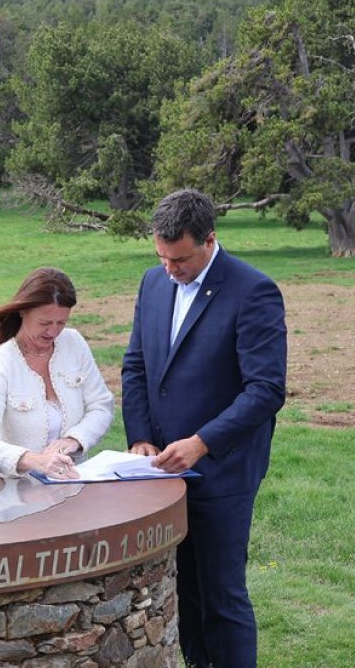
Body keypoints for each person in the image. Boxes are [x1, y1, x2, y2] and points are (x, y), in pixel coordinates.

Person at [122, 189, 287, 668]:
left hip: (223, 470)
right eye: (162, 257)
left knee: (221, 595)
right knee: (184, 592)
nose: (171, 269)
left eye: (181, 259)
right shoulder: (153, 284)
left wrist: (202, 443)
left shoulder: (253, 290)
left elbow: (266, 389)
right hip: (159, 471)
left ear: (210, 240)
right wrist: (140, 437)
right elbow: (136, 366)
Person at [0, 268, 114, 479]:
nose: (53, 332)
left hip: (73, 484)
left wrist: (74, 440)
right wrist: (35, 461)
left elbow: (101, 406)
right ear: (22, 311)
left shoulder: (74, 343)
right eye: (45, 323)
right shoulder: (0, 361)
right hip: (14, 493)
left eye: (61, 322)